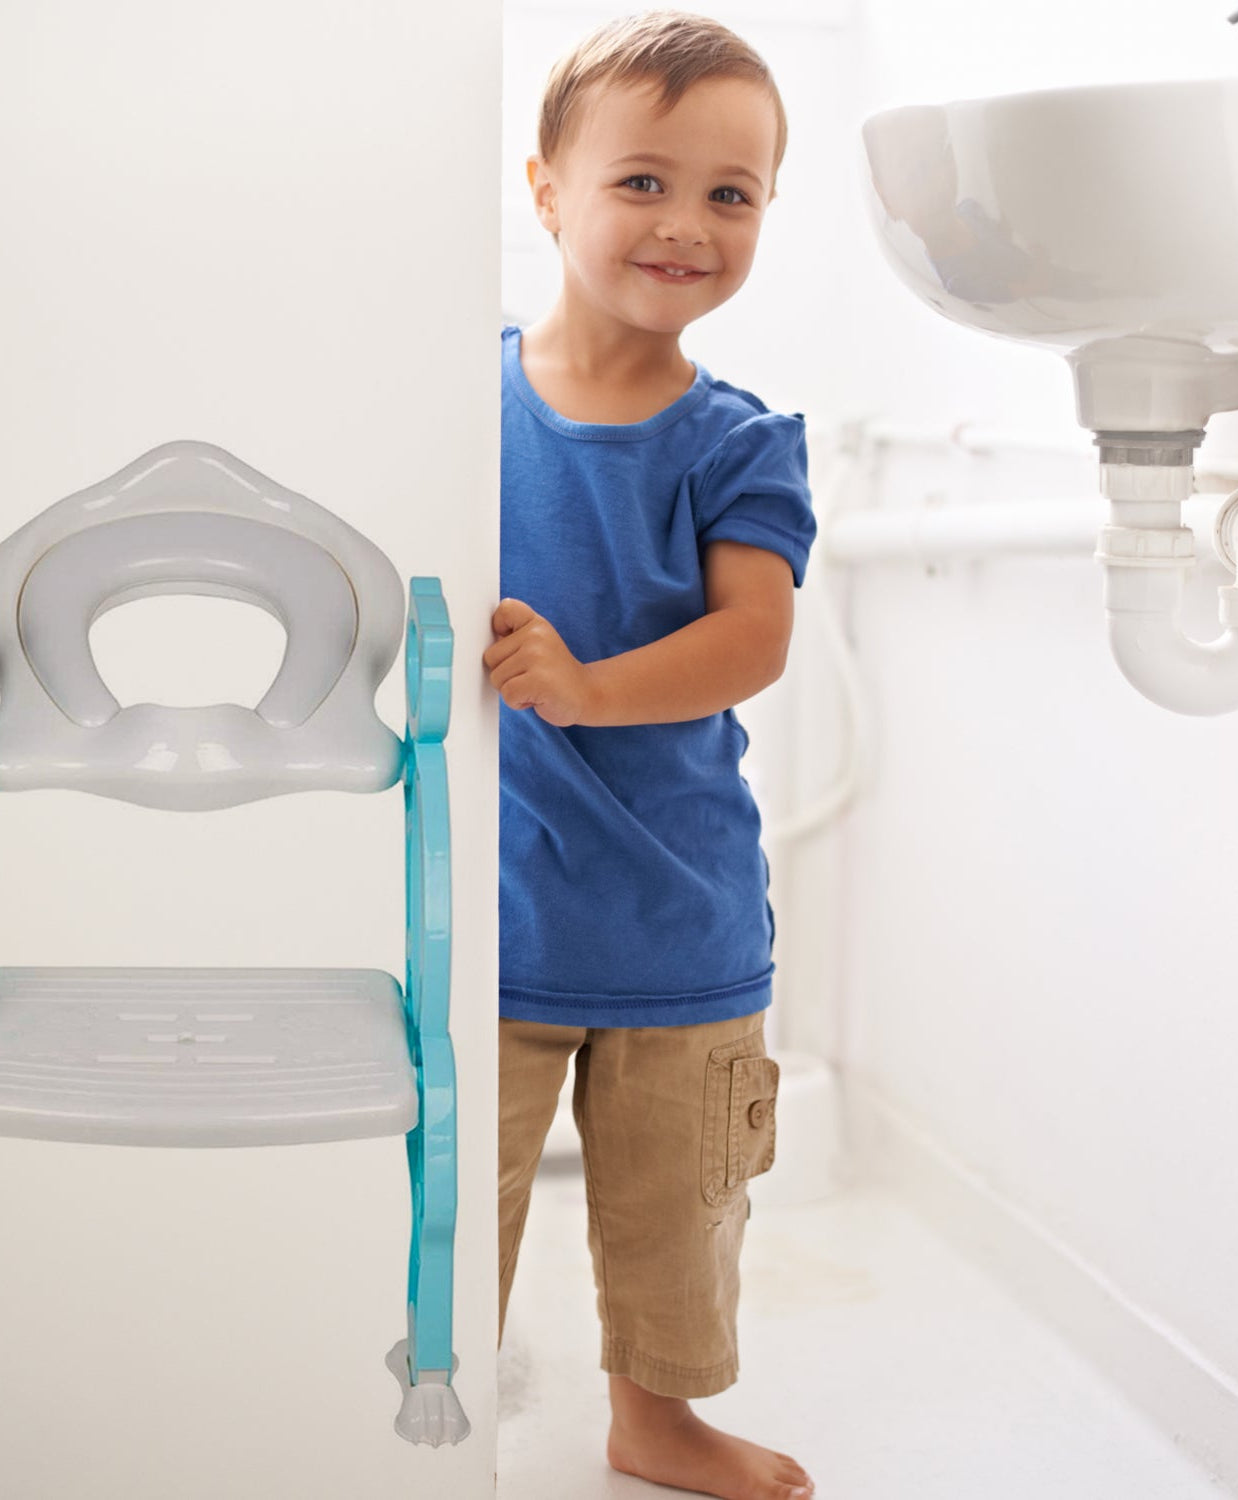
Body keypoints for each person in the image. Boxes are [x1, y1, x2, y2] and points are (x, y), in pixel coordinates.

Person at [484, 12, 817, 1499]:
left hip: (679, 922)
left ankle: (656, 1419)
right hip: (493, 923)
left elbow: (753, 636)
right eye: (642, 182)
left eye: (729, 194)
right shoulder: (460, 406)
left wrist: (583, 688)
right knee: (445, 1209)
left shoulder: (738, 441)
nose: (686, 223)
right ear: (547, 190)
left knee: (680, 1209)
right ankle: (428, 1400)